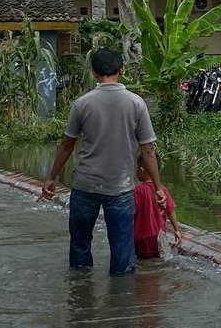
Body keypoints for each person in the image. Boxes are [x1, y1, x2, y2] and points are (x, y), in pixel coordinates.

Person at [41, 48, 166, 276]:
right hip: (120, 188)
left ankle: (81, 290)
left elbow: (67, 145)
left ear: (94, 73)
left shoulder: (82, 104)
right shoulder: (136, 104)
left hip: (85, 185)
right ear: (122, 70)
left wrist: (51, 178)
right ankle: (121, 294)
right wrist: (158, 188)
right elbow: (147, 150)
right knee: (122, 246)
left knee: (80, 243)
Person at [133, 161, 182, 259]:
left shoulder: (137, 190)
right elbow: (170, 210)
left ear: (141, 170)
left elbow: (131, 212)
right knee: (160, 259)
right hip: (159, 236)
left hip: (141, 237)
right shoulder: (162, 190)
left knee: (143, 262)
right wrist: (176, 230)